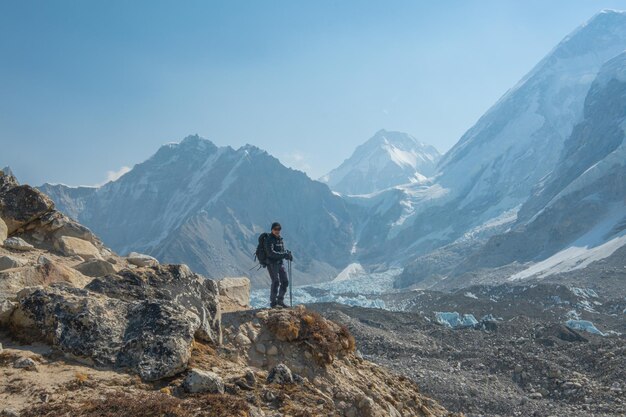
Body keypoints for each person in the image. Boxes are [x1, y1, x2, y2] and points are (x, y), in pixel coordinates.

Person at [264, 222, 293, 308]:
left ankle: (280, 300)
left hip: (280, 263)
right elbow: (271, 253)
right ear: (272, 229)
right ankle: (273, 303)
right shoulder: (269, 240)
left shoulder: (280, 239)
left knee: (285, 282)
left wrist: (287, 255)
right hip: (272, 264)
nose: (277, 231)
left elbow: (281, 252)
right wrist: (284, 255)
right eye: (275, 229)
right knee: (276, 282)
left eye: (279, 229)